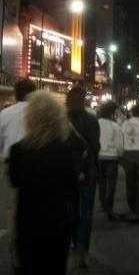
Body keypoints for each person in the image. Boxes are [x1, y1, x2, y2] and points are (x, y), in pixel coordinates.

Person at [8, 90, 79, 275]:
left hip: (27, 221)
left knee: (29, 267)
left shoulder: (17, 150)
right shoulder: (65, 151)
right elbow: (72, 186)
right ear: (57, 118)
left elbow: (14, 181)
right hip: (57, 222)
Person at [0, 78, 36, 271]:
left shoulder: (5, 114)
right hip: (40, 164)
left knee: (14, 211)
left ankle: (17, 257)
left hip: (13, 166)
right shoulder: (41, 114)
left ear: (15, 94)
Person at [67, 86, 100, 270]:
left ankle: (73, 242)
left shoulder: (62, 120)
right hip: (89, 171)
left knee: (71, 209)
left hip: (69, 173)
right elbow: (96, 146)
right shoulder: (92, 120)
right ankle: (83, 249)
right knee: (87, 212)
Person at [97, 101, 123, 220]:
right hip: (111, 157)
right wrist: (120, 155)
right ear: (112, 112)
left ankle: (102, 203)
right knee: (111, 184)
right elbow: (119, 146)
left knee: (102, 182)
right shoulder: (115, 126)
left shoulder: (96, 123)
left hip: (99, 157)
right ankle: (109, 207)